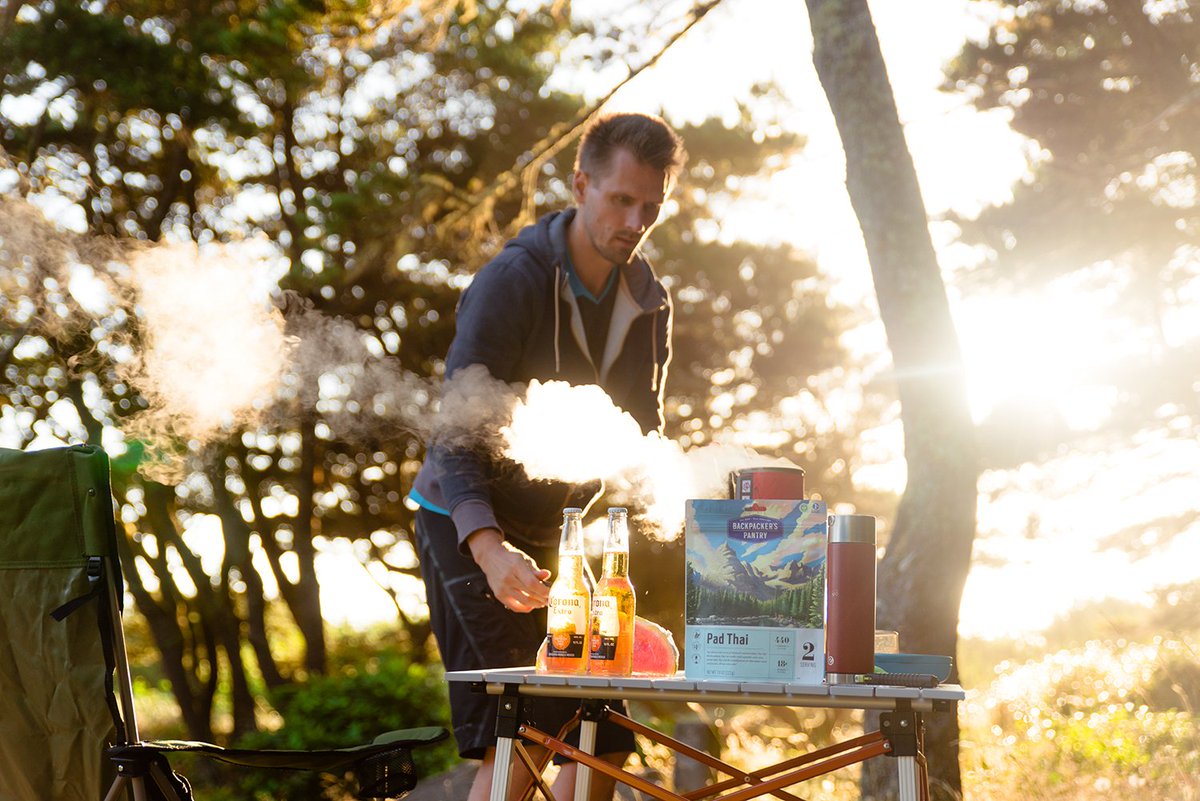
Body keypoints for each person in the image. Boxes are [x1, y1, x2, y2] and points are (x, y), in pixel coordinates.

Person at [409, 112, 686, 801]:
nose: (635, 220)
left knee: (601, 732)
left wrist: (677, 494)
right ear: (581, 183)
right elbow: (456, 426)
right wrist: (489, 546)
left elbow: (641, 424)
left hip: (553, 533)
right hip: (464, 520)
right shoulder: (515, 280)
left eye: (651, 205)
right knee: (525, 728)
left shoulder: (646, 299)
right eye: (621, 199)